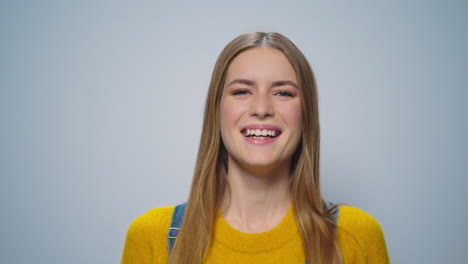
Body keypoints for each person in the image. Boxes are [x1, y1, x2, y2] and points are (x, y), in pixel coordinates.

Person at [121, 32, 389, 264]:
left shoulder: (356, 235)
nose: (261, 109)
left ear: (306, 114)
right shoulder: (151, 236)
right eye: (241, 92)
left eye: (283, 93)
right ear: (216, 111)